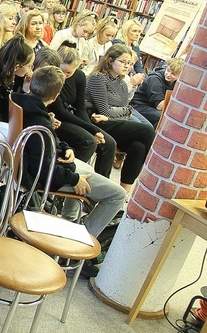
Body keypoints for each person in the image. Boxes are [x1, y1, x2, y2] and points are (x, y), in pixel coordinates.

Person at [15, 66, 126, 239]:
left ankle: (70, 220)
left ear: (30, 85)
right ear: (55, 96)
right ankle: (82, 240)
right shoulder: (40, 124)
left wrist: (66, 148)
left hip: (43, 165)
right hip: (42, 176)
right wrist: (73, 179)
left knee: (88, 172)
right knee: (118, 195)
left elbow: (51, 143)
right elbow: (42, 170)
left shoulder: (21, 104)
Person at [85, 44, 156, 192]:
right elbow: (106, 111)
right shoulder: (98, 78)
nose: (128, 66)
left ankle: (124, 192)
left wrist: (122, 111)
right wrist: (123, 111)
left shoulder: (123, 84)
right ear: (110, 60)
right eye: (123, 62)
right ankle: (153, 172)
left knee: (139, 146)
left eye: (130, 63)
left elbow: (123, 112)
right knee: (148, 130)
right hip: (96, 123)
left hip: (112, 123)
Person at [48, 44, 116, 178]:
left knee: (109, 143)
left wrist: (92, 129)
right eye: (62, 71)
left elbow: (80, 107)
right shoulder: (52, 75)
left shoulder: (79, 76)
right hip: (57, 119)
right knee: (88, 141)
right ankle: (67, 176)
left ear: (76, 68)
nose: (64, 75)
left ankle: (100, 183)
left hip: (71, 116)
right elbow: (61, 111)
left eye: (69, 73)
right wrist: (91, 129)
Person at [131, 57, 184, 127]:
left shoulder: (177, 83)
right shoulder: (155, 79)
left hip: (152, 106)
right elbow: (159, 106)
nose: (168, 74)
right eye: (168, 70)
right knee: (162, 118)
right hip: (139, 105)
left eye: (173, 74)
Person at [112, 18, 146, 87]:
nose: (137, 34)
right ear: (126, 31)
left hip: (131, 74)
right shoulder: (118, 43)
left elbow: (138, 67)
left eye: (139, 32)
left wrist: (144, 77)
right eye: (134, 31)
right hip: (120, 74)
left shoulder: (136, 48)